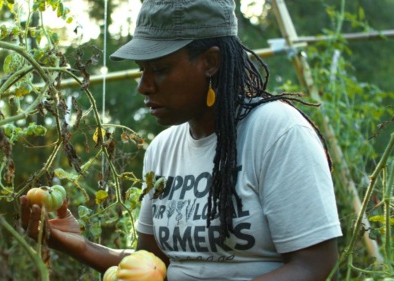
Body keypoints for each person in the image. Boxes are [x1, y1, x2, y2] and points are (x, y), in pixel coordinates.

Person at [20, 1, 343, 280]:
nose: (144, 86)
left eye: (159, 69)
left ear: (210, 62)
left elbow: (314, 263)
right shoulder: (163, 149)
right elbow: (153, 265)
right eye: (141, 70)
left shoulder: (276, 132)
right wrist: (79, 244)